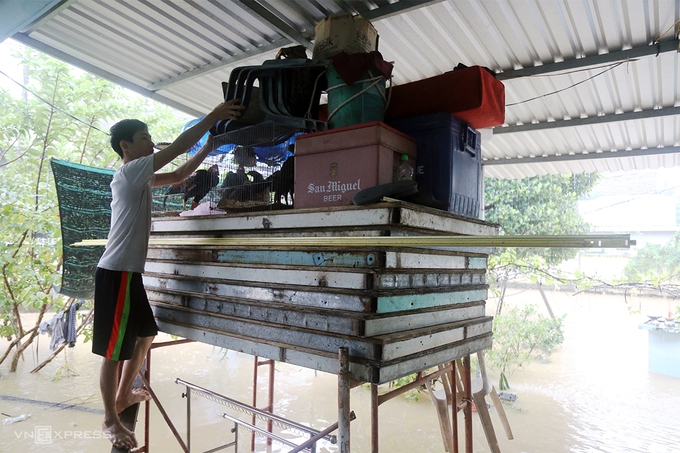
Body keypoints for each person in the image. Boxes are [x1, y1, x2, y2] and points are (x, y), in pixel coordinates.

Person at [93, 99, 244, 450]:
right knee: (113, 352)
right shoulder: (129, 172)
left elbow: (178, 175)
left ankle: (125, 394)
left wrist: (208, 146)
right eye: (144, 137)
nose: (150, 141)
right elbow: (176, 149)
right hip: (115, 274)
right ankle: (110, 417)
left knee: (146, 335)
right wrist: (214, 115)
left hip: (128, 275)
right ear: (126, 146)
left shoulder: (141, 179)